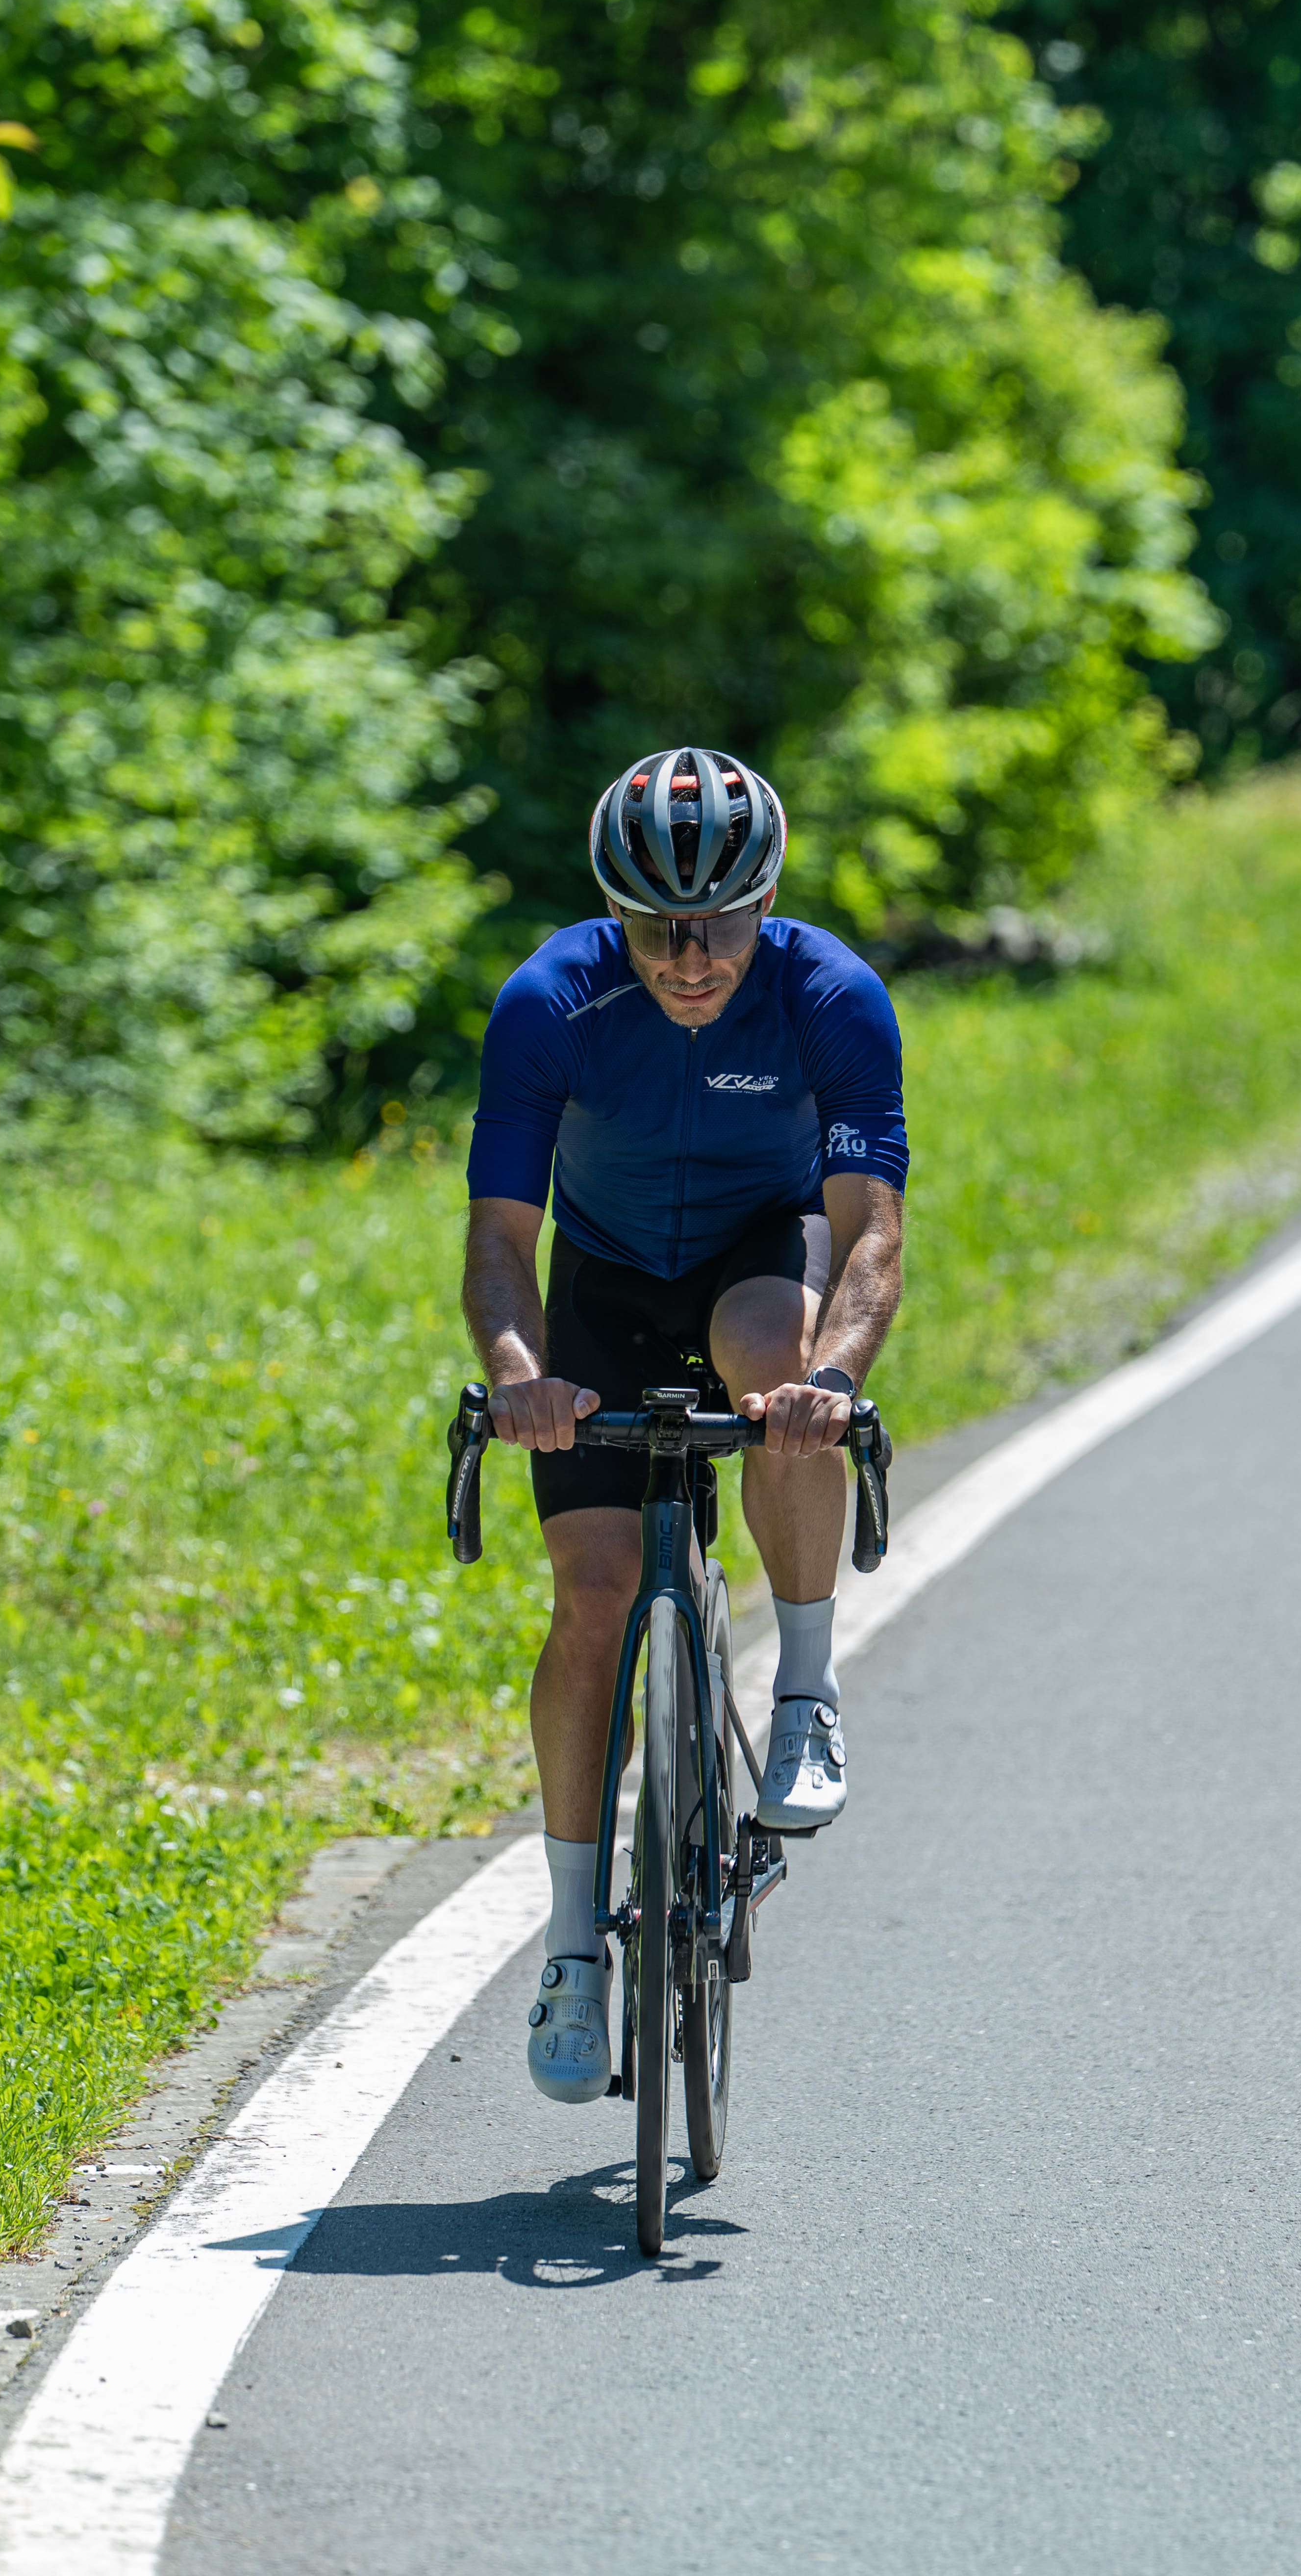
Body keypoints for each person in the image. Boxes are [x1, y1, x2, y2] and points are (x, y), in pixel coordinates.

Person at [462, 745, 906, 2102]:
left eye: (721, 920)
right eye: (661, 926)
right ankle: (573, 1945)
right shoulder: (553, 999)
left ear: (765, 900)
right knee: (594, 1602)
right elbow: (497, 1243)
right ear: (618, 912)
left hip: (753, 1261)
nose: (694, 953)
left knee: (771, 1362)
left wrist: (829, 1385)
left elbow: (870, 1235)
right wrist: (521, 1370)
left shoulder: (829, 992)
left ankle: (807, 1695)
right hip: (599, 1289)